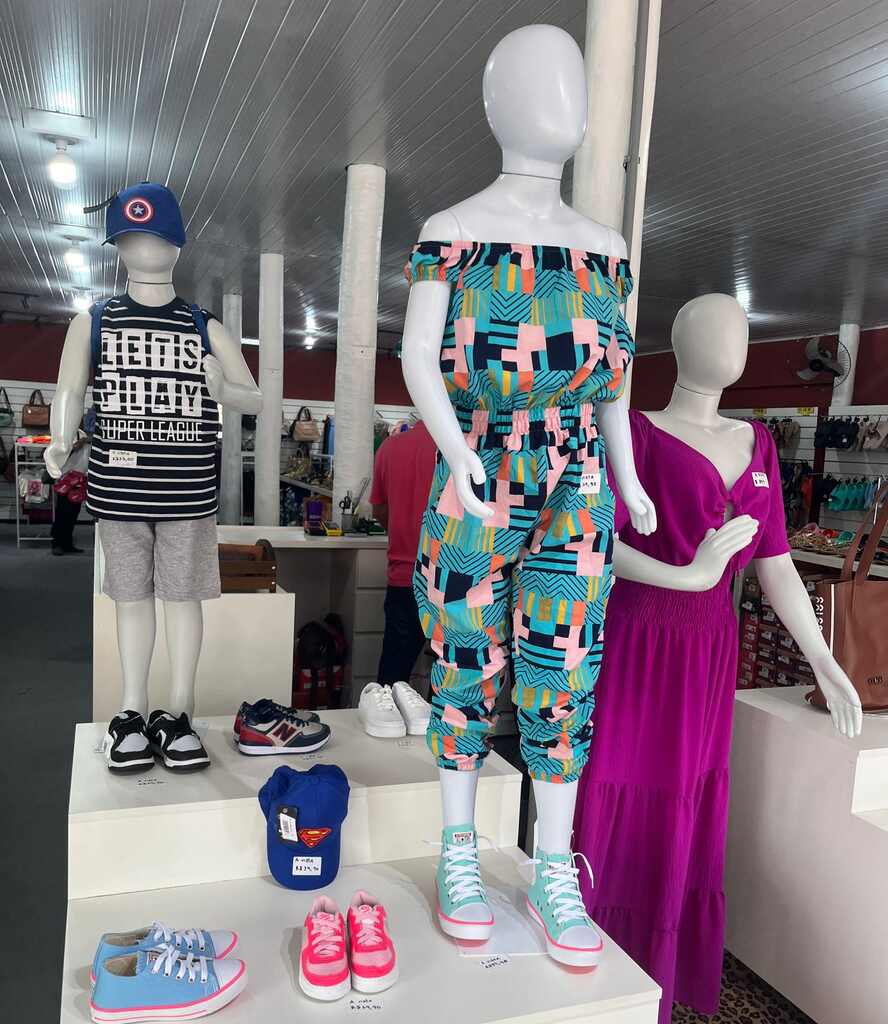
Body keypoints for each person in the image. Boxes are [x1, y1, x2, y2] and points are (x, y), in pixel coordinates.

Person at [370, 420, 437, 686]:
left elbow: (379, 510)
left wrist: (404, 531)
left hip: (403, 576)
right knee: (451, 676)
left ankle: (385, 712)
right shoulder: (465, 447)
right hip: (452, 580)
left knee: (392, 674)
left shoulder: (390, 447)